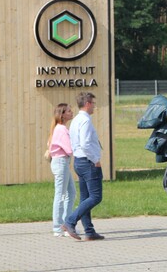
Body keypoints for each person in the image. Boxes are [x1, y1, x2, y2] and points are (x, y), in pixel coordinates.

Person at [62, 92, 104, 241]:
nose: (94, 106)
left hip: (79, 161)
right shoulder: (85, 121)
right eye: (93, 103)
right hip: (88, 162)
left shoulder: (76, 120)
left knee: (85, 197)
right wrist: (95, 159)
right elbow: (85, 143)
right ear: (87, 104)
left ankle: (89, 231)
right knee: (96, 196)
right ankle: (70, 221)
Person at [48, 103, 76, 237]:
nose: (72, 112)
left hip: (62, 162)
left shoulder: (60, 128)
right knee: (61, 195)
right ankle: (58, 227)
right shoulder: (61, 129)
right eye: (69, 111)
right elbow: (69, 148)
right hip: (61, 163)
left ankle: (66, 223)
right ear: (63, 114)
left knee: (71, 192)